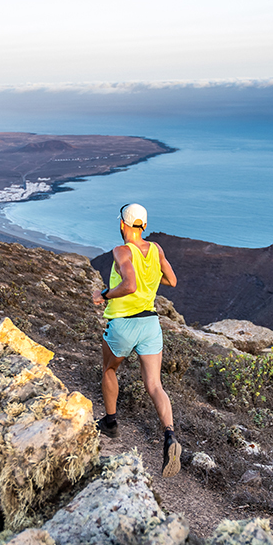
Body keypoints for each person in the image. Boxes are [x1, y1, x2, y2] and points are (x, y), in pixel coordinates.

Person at [92, 203, 181, 476]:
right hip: (151, 324)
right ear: (143, 225)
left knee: (109, 369)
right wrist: (150, 280)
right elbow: (172, 280)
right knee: (154, 384)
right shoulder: (156, 249)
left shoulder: (121, 251)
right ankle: (170, 436)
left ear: (122, 224)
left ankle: (110, 422)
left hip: (123, 324)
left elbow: (129, 284)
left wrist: (104, 294)